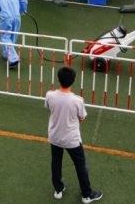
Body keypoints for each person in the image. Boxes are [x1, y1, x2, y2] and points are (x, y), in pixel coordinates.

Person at [45, 66, 103, 203]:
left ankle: (58, 189)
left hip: (55, 136)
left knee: (56, 162)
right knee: (80, 165)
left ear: (58, 79)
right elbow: (81, 117)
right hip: (71, 139)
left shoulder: (50, 95)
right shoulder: (77, 100)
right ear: (73, 81)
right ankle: (87, 195)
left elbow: (49, 108)